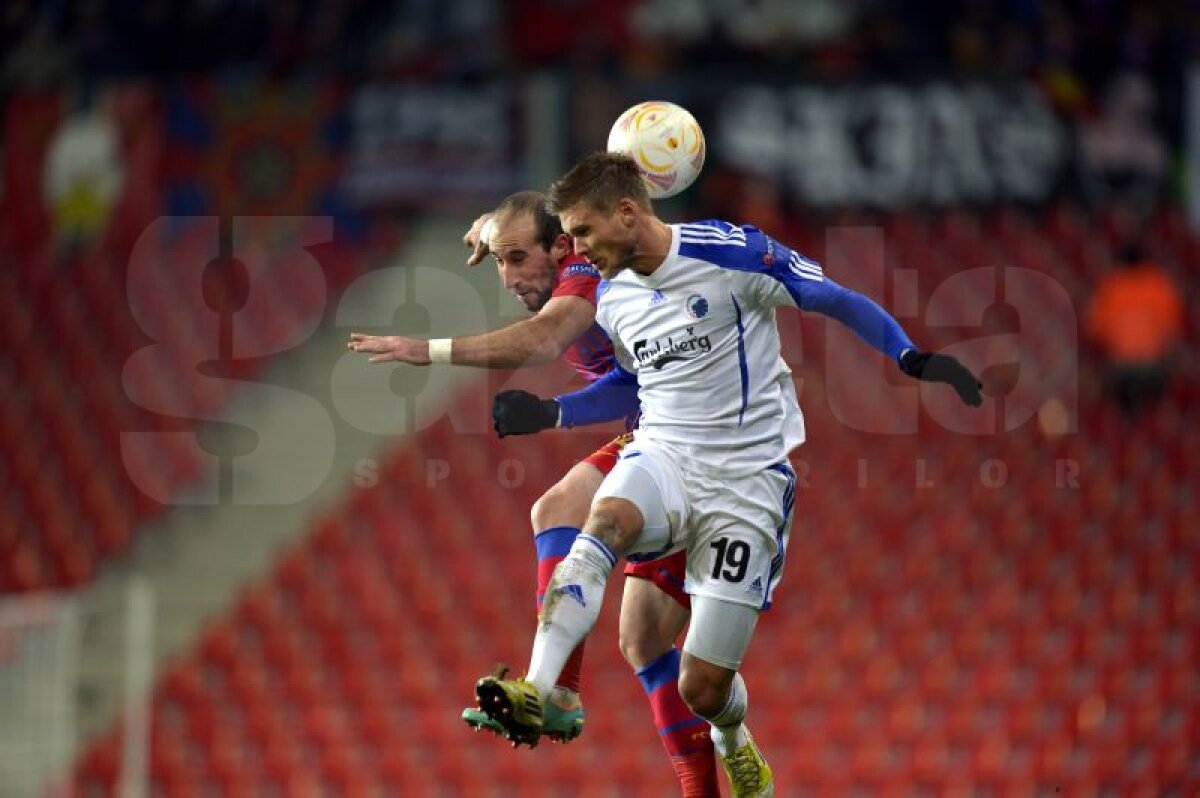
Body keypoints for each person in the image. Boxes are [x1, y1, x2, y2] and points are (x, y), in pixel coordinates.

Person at [471, 153, 983, 798]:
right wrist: (550, 406)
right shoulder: (608, 290)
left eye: (583, 233)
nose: (579, 249)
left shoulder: (730, 254)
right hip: (665, 451)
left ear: (627, 212)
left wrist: (911, 357)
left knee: (701, 685)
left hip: (747, 480)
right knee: (594, 524)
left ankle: (731, 739)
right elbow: (630, 382)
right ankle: (542, 689)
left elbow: (833, 298)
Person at [348, 191, 725, 796]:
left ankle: (560, 694)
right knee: (641, 639)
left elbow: (554, 344)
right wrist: (489, 226)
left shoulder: (586, 275)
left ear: (560, 247)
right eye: (499, 260)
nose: (507, 275)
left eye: (516, 258)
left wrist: (429, 352)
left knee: (651, 636)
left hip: (704, 444)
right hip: (661, 428)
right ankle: (566, 697)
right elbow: (633, 384)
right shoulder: (568, 244)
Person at [1085, 241, 1184, 417]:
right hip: (1154, 366)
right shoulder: (1159, 285)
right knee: (1156, 414)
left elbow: (1096, 330)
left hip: (1122, 368)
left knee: (1123, 414)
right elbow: (1173, 329)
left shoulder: (1112, 287)